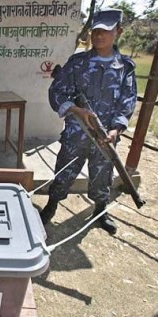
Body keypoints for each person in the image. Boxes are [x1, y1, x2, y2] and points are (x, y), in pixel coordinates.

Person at [40, 9, 137, 235]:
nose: (99, 36)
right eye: (96, 31)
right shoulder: (78, 63)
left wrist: (116, 129)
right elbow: (57, 91)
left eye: (105, 31)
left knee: (103, 176)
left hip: (106, 138)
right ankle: (51, 206)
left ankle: (101, 211)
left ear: (118, 32)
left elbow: (128, 100)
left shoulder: (125, 67)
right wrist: (76, 110)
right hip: (77, 133)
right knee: (64, 172)